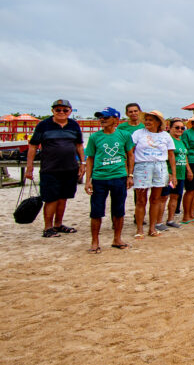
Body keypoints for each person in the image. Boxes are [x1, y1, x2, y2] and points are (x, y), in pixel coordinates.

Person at [25, 99, 85, 238]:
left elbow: (79, 146)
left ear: (70, 111)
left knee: (63, 198)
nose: (61, 112)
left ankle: (58, 224)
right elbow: (33, 146)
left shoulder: (74, 125)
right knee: (51, 198)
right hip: (50, 168)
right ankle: (48, 227)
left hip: (70, 168)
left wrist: (82, 163)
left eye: (65, 110)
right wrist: (29, 167)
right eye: (58, 110)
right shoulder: (43, 125)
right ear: (52, 110)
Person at [84, 107, 134, 252]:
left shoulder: (124, 135)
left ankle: (117, 238)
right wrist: (88, 180)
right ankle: (95, 242)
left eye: (106, 117)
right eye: (101, 117)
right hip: (99, 178)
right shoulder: (95, 137)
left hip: (119, 176)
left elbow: (130, 155)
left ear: (115, 119)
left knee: (119, 210)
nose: (102, 119)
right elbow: (90, 159)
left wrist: (130, 175)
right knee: (96, 211)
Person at [130, 110, 176, 238]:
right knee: (141, 199)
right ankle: (139, 229)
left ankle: (152, 228)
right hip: (142, 166)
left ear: (158, 122)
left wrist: (173, 174)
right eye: (146, 119)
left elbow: (171, 156)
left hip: (160, 166)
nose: (147, 122)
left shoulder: (166, 136)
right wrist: (130, 172)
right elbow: (131, 153)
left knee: (156, 199)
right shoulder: (138, 134)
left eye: (151, 120)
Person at [163, 118, 190, 227]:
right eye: (177, 127)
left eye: (182, 128)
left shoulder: (181, 141)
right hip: (169, 174)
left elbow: (185, 156)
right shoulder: (167, 140)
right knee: (163, 197)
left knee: (175, 196)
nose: (180, 130)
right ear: (170, 128)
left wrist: (188, 170)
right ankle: (158, 221)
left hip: (180, 173)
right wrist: (168, 173)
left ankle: (170, 219)